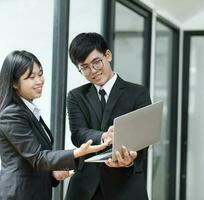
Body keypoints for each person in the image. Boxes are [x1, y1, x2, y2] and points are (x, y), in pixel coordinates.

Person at [0, 50, 109, 200]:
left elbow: (31, 161)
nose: (39, 80)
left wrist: (52, 173)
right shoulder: (11, 114)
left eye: (40, 74)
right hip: (17, 194)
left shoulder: (28, 110)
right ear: (14, 83)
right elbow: (38, 157)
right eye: (31, 77)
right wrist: (77, 152)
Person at [65, 32, 151, 200]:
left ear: (108, 55)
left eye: (97, 62)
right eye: (85, 67)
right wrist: (104, 136)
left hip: (126, 184)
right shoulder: (76, 96)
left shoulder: (138, 93)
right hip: (86, 188)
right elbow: (78, 133)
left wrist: (131, 158)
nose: (93, 71)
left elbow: (144, 138)